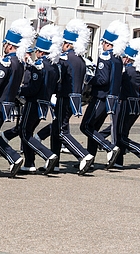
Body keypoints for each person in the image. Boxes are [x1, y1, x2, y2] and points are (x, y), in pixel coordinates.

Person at [38, 19, 95, 174]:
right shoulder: (81, 60)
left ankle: (84, 155)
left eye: (64, 43)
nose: (61, 46)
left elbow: (58, 78)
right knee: (57, 129)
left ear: (69, 44)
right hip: (75, 97)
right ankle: (54, 162)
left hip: (64, 96)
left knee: (62, 131)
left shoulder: (66, 58)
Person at [0, 18, 29, 177]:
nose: (4, 47)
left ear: (10, 45)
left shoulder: (7, 62)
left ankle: (12, 156)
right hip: (8, 103)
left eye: (6, 44)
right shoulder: (20, 62)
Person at [81, 21, 128, 168]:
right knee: (93, 128)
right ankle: (90, 158)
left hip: (101, 96)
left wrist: (88, 79)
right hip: (111, 97)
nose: (102, 45)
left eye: (103, 42)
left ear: (108, 43)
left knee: (86, 127)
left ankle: (108, 147)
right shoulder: (118, 58)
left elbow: (102, 79)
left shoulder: (106, 56)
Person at [14, 24, 60, 175]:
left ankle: (47, 155)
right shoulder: (54, 67)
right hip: (44, 103)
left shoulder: (39, 65)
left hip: (34, 102)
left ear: (40, 51)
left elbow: (33, 88)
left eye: (37, 52)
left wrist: (19, 90)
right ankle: (29, 162)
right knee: (28, 131)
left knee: (24, 131)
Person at [111, 38, 140, 167]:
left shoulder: (127, 71)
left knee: (119, 135)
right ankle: (119, 161)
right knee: (123, 133)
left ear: (128, 58)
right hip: (136, 104)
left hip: (125, 103)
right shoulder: (138, 71)